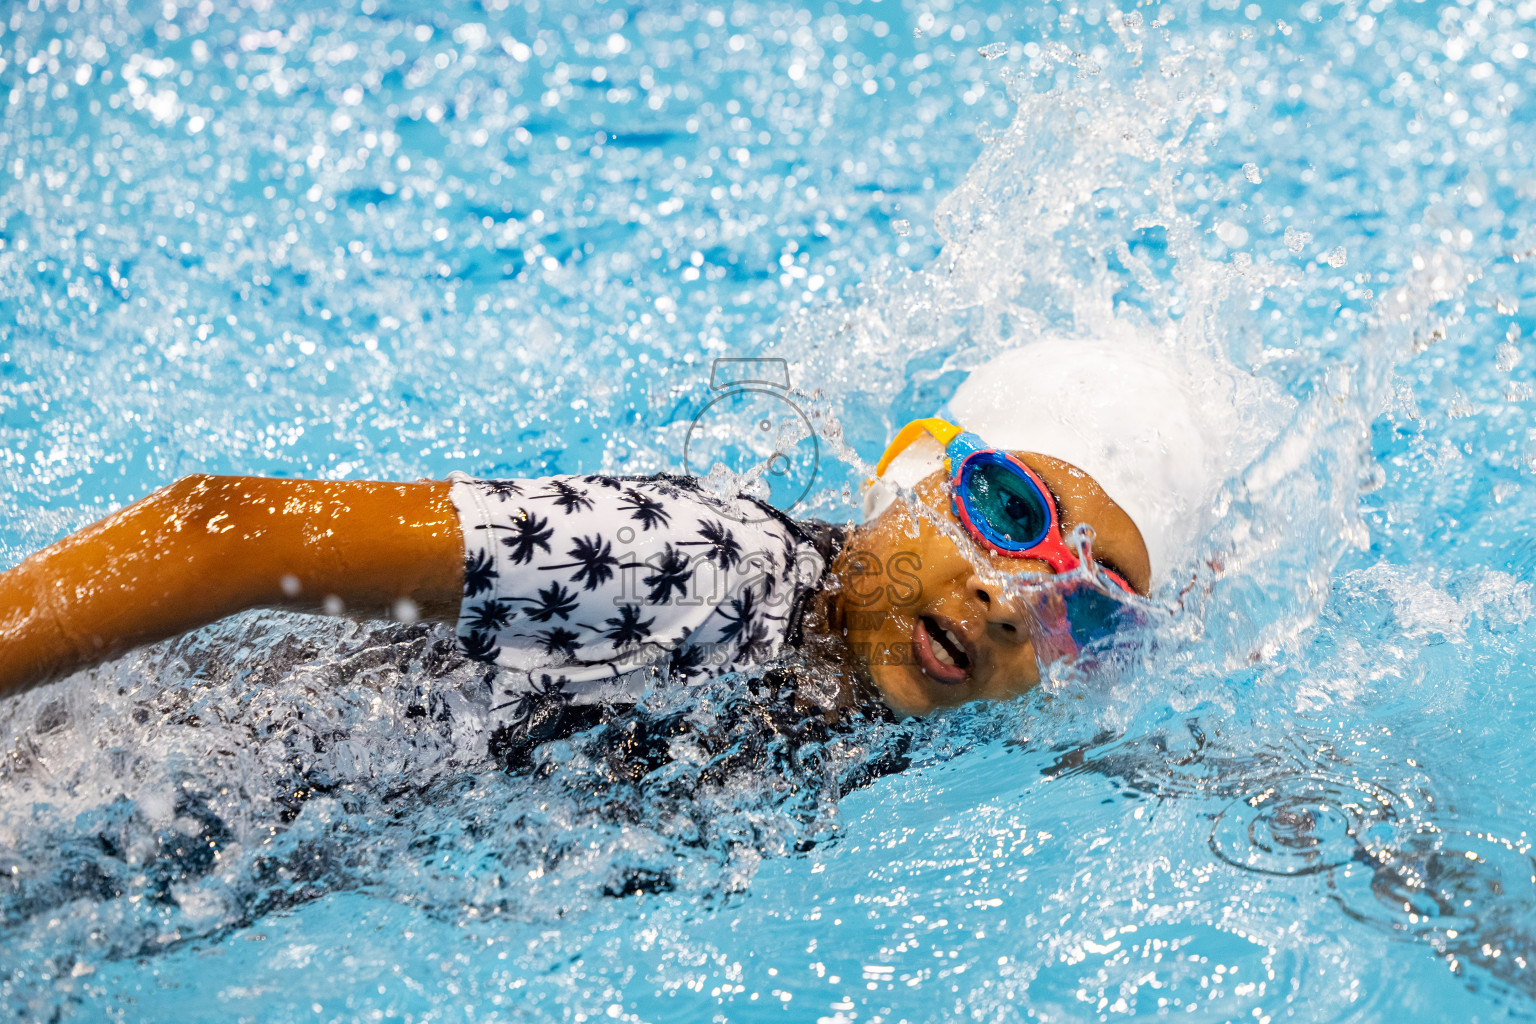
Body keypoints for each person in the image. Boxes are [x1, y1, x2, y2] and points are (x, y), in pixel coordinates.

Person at [0, 335, 1273, 752]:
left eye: (1090, 612)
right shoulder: (704, 568)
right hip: (98, 777)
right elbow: (226, 527)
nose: (1011, 604)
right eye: (1006, 512)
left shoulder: (882, 714)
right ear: (912, 478)